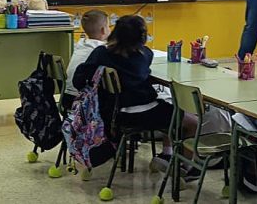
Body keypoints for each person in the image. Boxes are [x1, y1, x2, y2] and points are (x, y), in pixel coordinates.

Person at [73, 15, 197, 175]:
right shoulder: (145, 55)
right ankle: (183, 168)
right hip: (145, 113)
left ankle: (167, 156)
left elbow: (78, 80)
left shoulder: (100, 53)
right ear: (142, 38)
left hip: (113, 116)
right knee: (191, 121)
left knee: (168, 110)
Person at [64, 10, 110, 107]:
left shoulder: (80, 46)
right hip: (83, 102)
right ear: (104, 30)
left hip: (67, 98)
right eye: (108, 26)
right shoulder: (101, 51)